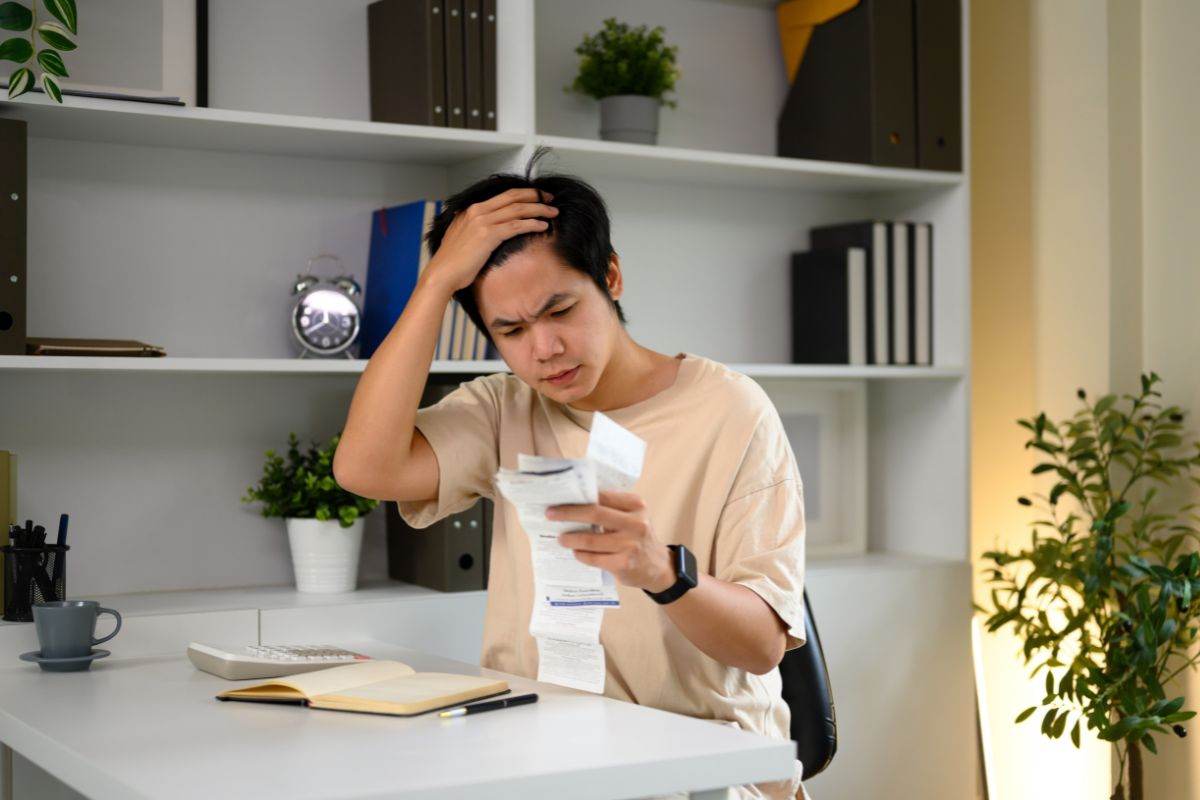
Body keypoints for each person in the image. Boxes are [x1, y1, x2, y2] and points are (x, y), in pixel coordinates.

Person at [334, 147, 810, 800]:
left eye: (560, 311)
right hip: (544, 764)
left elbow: (761, 647)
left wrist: (664, 573)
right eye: (512, 329)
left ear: (610, 276)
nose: (545, 349)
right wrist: (435, 284)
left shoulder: (733, 411)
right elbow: (365, 468)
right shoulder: (503, 408)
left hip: (701, 773)